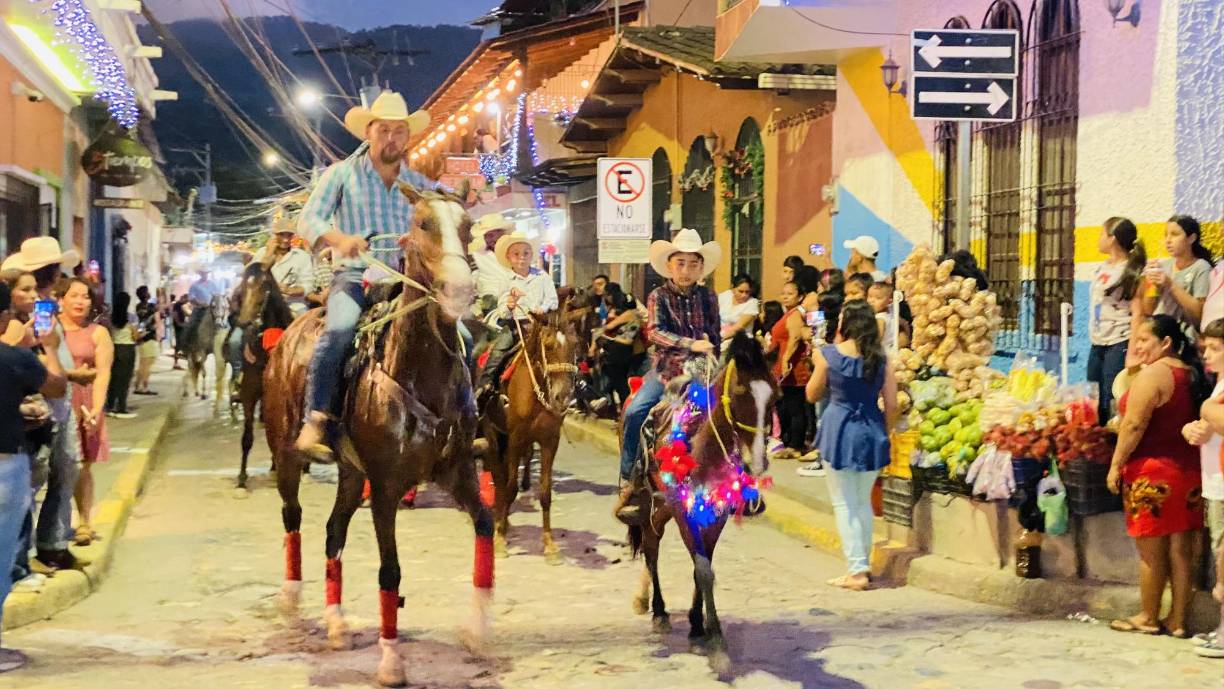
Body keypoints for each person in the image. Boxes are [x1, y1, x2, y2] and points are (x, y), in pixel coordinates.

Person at [293, 91, 444, 461]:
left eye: (399, 131)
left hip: (405, 281)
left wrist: (419, 237)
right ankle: (316, 419)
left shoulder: (417, 184)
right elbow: (308, 219)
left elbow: (443, 214)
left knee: (460, 335)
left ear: (407, 137)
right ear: (369, 132)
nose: (391, 138)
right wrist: (340, 239)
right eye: (384, 130)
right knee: (340, 331)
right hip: (355, 275)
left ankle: (459, 425)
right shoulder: (341, 174)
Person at [1107, 315, 1208, 638]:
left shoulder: (1154, 374)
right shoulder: (1190, 373)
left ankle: (1148, 616)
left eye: (1144, 340)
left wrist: (1116, 464)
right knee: (1182, 551)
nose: (1137, 346)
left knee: (1151, 552)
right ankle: (1178, 620)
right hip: (1189, 473)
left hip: (1153, 474)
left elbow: (1134, 424)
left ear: (1165, 342)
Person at [615, 228, 721, 521]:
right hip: (666, 371)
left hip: (703, 372)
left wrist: (714, 350)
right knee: (635, 411)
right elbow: (655, 332)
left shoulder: (708, 297)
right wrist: (690, 344)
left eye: (693, 264)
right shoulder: (658, 296)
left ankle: (737, 475)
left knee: (732, 412)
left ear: (701, 268)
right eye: (681, 263)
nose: (686, 270)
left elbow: (715, 334)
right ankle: (629, 478)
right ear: (670, 265)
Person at [2, 238, 91, 573]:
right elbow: (27, 359)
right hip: (38, 401)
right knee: (33, 478)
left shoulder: (45, 306)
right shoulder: (19, 316)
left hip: (57, 399)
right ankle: (24, 556)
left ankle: (54, 544)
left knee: (65, 468)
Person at [0, 279, 68, 674]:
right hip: (5, 466)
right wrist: (50, 348)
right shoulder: (14, 358)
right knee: (2, 556)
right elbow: (56, 387)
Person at [805, 300, 896, 591]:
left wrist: (820, 367)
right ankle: (862, 566)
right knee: (862, 502)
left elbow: (811, 394)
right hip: (871, 429)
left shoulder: (828, 355)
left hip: (838, 430)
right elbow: (892, 404)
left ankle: (856, 571)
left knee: (844, 503)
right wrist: (885, 431)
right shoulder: (881, 359)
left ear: (846, 323)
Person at [58, 277, 114, 548]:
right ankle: (54, 527)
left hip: (84, 402)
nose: (81, 301)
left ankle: (84, 521)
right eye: (74, 296)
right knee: (57, 467)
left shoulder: (98, 333)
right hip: (57, 400)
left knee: (83, 466)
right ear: (61, 300)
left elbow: (103, 374)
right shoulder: (50, 328)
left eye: (86, 296)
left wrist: (96, 408)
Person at [474, 232, 559, 404]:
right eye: (516, 254)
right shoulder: (506, 279)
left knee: (563, 348)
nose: (522, 257)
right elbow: (502, 311)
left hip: (540, 325)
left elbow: (553, 300)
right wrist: (510, 305)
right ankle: (485, 385)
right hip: (515, 325)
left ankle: (576, 385)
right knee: (499, 350)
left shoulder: (542, 277)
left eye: (526, 253)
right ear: (508, 257)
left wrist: (542, 308)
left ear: (531, 255)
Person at [1183, 318, 1224, 658]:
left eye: (1215, 348)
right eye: (1205, 348)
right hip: (1215, 481)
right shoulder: (1218, 386)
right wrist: (1194, 429)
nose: (1206, 355)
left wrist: (1207, 411)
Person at [1089, 218, 1146, 425]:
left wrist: (1132, 352)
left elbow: (1138, 314)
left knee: (1111, 399)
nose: (1098, 239)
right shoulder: (1102, 267)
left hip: (1119, 342)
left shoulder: (1131, 270)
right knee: (1093, 397)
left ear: (1112, 238)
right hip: (1098, 342)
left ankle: (1113, 441)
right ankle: (1097, 440)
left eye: (1101, 234)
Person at [1143, 215, 1212, 341]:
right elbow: (1147, 310)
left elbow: (1199, 314)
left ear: (1191, 238)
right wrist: (1151, 284)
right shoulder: (1163, 265)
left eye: (1174, 234)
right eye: (1166, 235)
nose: (1168, 240)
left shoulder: (1201, 267)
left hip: (1185, 338)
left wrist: (1170, 284)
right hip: (1159, 334)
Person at [764, 281, 811, 460]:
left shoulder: (795, 314)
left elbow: (795, 337)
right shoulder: (788, 314)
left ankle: (796, 446)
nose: (785, 297)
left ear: (800, 297)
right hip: (783, 368)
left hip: (793, 368)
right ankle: (789, 442)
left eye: (790, 294)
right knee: (787, 407)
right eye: (783, 293)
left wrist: (785, 360)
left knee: (795, 407)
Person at [250, 217, 316, 317]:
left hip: (294, 306)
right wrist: (268, 254)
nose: (286, 239)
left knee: (306, 322)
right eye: (281, 235)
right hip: (265, 305)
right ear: (274, 235)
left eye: (289, 235)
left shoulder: (302, 256)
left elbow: (308, 285)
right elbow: (252, 278)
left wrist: (290, 290)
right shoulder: (262, 253)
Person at [105, 291, 138, 419]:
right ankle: (121, 407)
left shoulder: (109, 317)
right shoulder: (131, 318)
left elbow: (108, 333)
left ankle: (110, 405)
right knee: (125, 379)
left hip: (113, 348)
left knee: (113, 378)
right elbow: (135, 336)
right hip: (127, 349)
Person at [133, 286, 160, 395]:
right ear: (145, 294)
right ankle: (144, 387)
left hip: (142, 336)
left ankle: (137, 386)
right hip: (149, 336)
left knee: (143, 363)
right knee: (147, 364)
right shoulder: (150, 307)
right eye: (147, 292)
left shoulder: (139, 306)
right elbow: (159, 311)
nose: (149, 293)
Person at [719, 274, 760, 341]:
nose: (744, 295)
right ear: (733, 288)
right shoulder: (725, 296)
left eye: (747, 292)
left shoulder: (752, 303)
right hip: (720, 336)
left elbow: (739, 327)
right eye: (741, 291)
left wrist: (719, 339)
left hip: (740, 341)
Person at [867, 282, 896, 352]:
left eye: (878, 298)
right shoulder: (891, 314)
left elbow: (877, 339)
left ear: (889, 301)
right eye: (870, 296)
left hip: (883, 352)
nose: (872, 301)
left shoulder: (879, 318)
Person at [171, 293, 188, 370]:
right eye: (187, 300)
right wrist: (179, 323)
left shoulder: (182, 305)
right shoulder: (177, 304)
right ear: (184, 298)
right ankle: (176, 363)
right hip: (178, 327)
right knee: (178, 344)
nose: (187, 302)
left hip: (181, 326)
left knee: (180, 343)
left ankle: (177, 362)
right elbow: (175, 314)